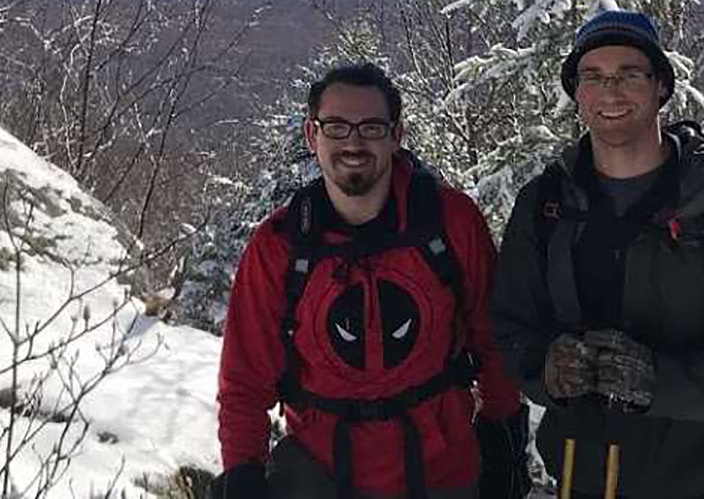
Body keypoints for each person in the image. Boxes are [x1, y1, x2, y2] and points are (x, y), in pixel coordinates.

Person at [490, 10, 704, 499]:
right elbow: (511, 328)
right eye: (592, 77)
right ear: (577, 94)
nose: (610, 91)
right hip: (579, 479)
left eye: (628, 74)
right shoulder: (545, 204)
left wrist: (661, 383)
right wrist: (544, 370)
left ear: (661, 86)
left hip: (700, 484)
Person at [215, 63, 530, 499]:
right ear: (313, 136)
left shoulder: (449, 222)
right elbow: (244, 380)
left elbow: (494, 339)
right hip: (318, 477)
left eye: (372, 127)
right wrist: (242, 472)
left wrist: (503, 436)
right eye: (337, 127)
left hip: (443, 471)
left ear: (396, 136)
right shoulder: (281, 245)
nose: (355, 142)